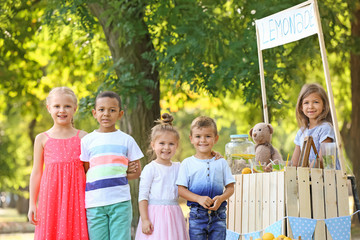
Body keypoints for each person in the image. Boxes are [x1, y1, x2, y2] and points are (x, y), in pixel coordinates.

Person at [80, 91, 143, 240]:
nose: (106, 114)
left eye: (112, 110)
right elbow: (87, 170)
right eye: (101, 110)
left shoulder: (127, 140)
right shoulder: (87, 141)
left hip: (120, 201)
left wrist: (118, 175)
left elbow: (137, 171)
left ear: (120, 114)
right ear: (94, 113)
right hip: (95, 202)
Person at [28, 87, 89, 239]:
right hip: (50, 199)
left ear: (75, 108)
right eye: (57, 106)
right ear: (49, 108)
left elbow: (89, 170)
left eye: (67, 106)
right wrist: (32, 203)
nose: (62, 110)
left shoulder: (84, 138)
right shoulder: (42, 139)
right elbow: (36, 172)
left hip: (76, 198)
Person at [176, 116, 235, 240]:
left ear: (216, 138)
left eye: (208, 136)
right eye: (198, 136)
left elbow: (230, 188)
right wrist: (198, 198)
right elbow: (180, 190)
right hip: (197, 216)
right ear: (191, 139)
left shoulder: (221, 162)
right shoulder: (187, 163)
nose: (203, 140)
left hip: (219, 215)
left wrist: (221, 198)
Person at [135, 113, 189, 240]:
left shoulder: (179, 167)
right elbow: (143, 197)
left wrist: (213, 154)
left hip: (174, 215)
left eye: (171, 144)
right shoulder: (150, 169)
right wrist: (145, 220)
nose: (166, 147)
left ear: (177, 146)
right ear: (153, 145)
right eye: (162, 143)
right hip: (154, 216)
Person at [291, 83, 335, 168]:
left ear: (324, 106)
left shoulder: (326, 128)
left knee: (316, 162)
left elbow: (325, 162)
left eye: (316, 102)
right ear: (301, 107)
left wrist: (310, 169)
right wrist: (278, 165)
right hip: (308, 178)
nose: (310, 106)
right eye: (306, 103)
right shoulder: (301, 132)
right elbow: (294, 164)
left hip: (325, 178)